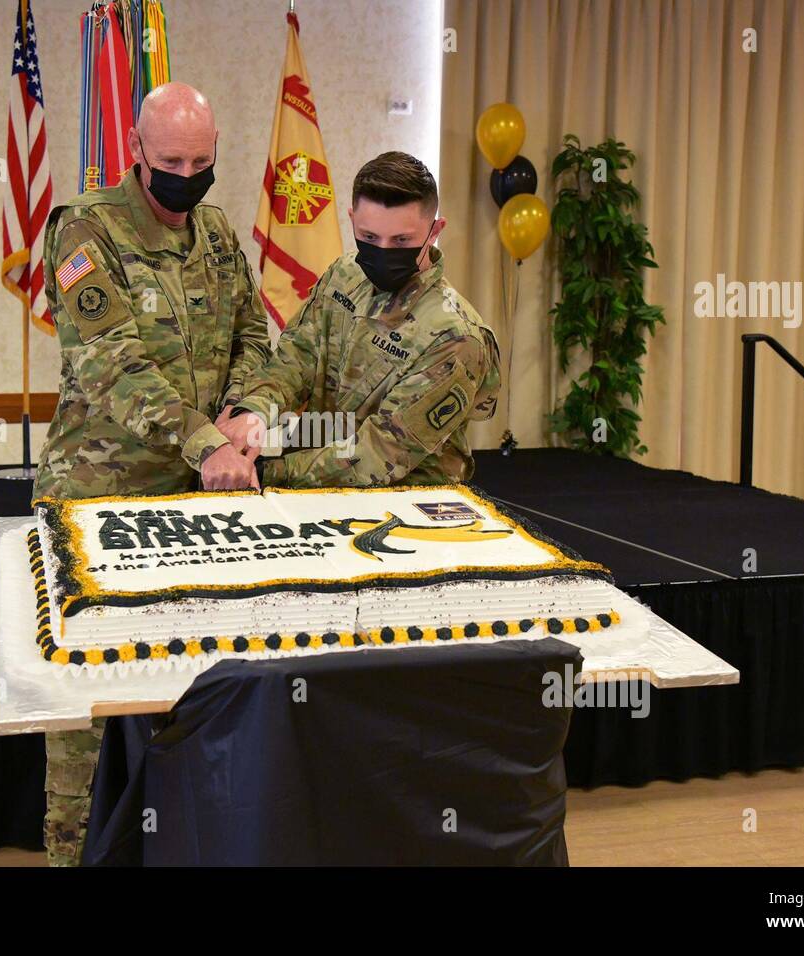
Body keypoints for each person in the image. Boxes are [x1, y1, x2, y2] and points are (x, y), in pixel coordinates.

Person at [33, 81, 270, 866]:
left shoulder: (217, 232)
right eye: (171, 160)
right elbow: (112, 365)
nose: (187, 176)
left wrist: (245, 415)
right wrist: (208, 442)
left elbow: (252, 338)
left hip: (197, 503)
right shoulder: (81, 231)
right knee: (86, 721)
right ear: (136, 150)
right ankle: (75, 857)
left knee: (195, 705)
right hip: (96, 506)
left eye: (203, 161)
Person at [213, 150, 500, 489]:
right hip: (324, 472)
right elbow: (296, 358)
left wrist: (262, 473)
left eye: (402, 241)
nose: (383, 251)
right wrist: (254, 412)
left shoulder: (456, 337)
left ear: (435, 230)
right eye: (369, 238)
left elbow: (381, 452)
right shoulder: (345, 274)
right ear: (351, 220)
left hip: (408, 501)